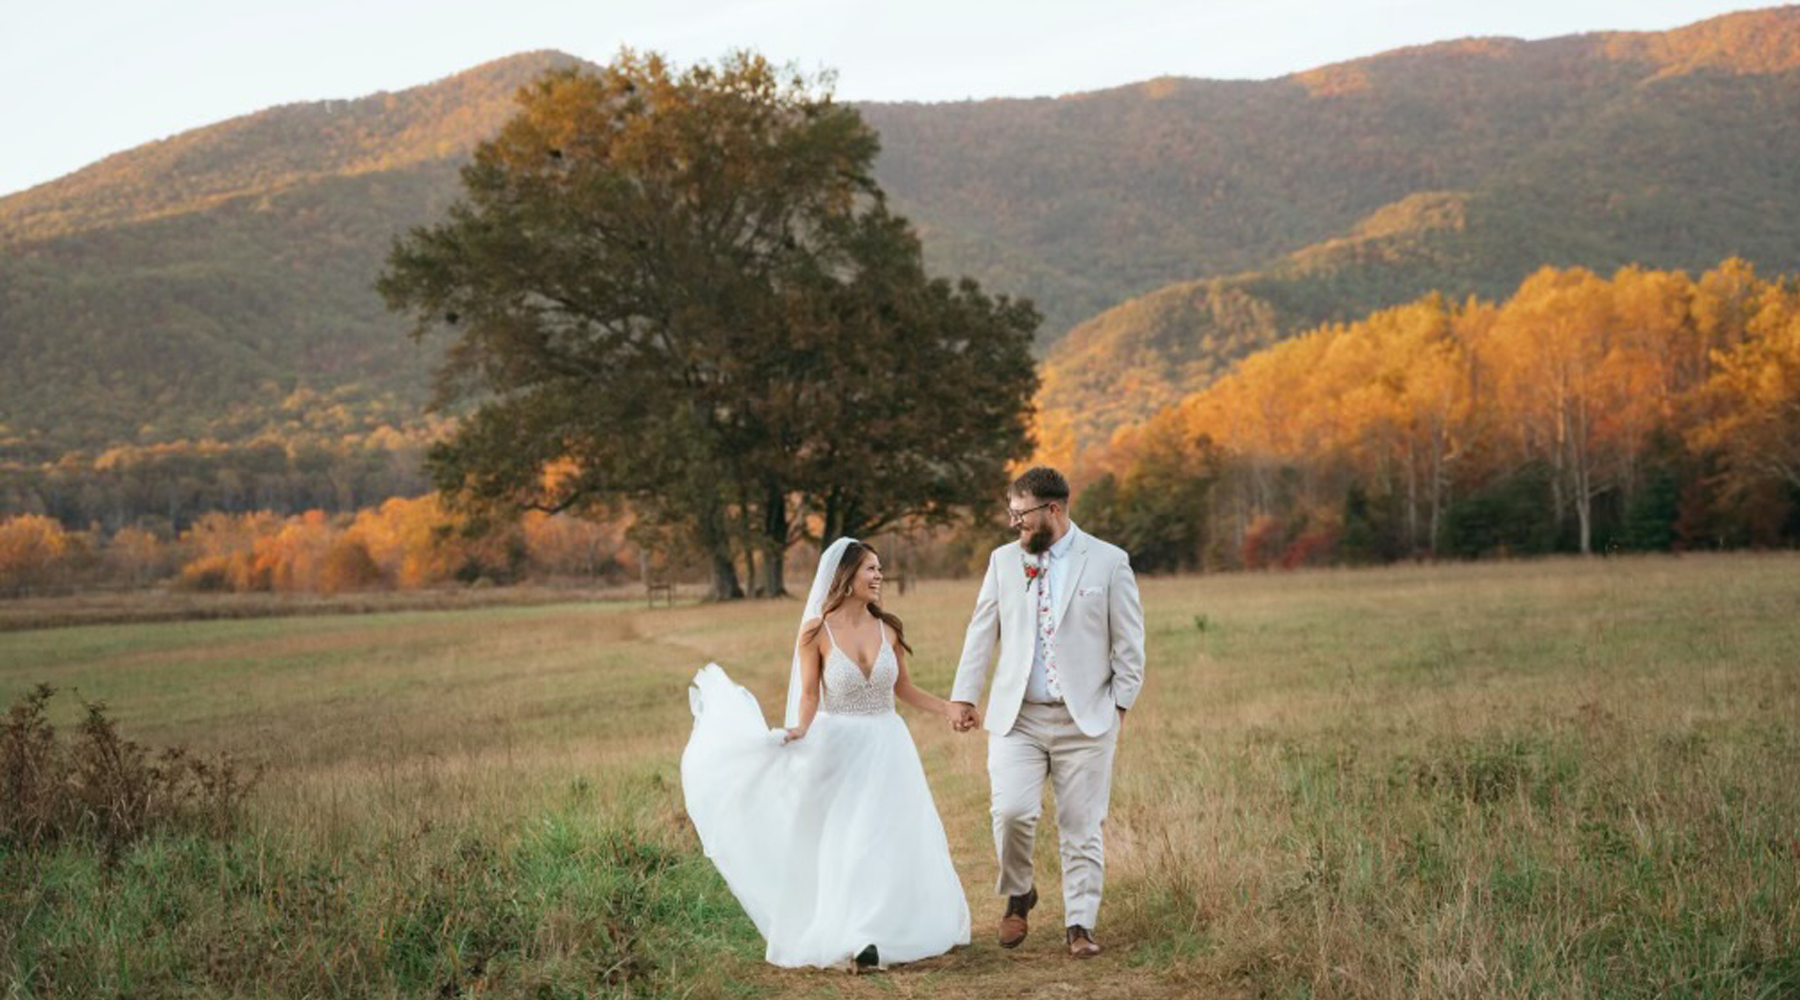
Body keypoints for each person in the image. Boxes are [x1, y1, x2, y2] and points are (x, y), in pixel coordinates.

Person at [681, 538, 972, 971]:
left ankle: (887, 927)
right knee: (849, 841)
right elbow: (811, 694)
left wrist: (948, 707)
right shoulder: (816, 632)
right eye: (871, 569)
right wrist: (799, 727)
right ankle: (858, 938)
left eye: (880, 569)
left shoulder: (889, 628)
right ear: (846, 576)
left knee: (888, 838)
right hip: (838, 748)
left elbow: (903, 690)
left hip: (888, 746)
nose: (879, 576)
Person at [948, 466, 1146, 958]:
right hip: (1019, 718)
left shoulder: (1108, 562)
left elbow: (1129, 643)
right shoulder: (1002, 561)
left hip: (1087, 720)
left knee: (1082, 825)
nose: (1014, 525)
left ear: (1052, 510)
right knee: (1011, 812)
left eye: (1021, 515)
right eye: (1011, 514)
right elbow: (981, 631)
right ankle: (1020, 891)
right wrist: (965, 696)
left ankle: (1080, 924)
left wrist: (1118, 707)